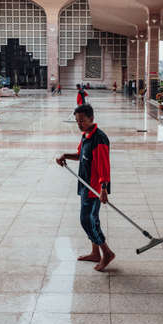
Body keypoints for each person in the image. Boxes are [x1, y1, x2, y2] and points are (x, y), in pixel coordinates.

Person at [56, 104, 115, 272]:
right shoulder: (86, 135)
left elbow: (104, 166)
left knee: (87, 220)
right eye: (77, 121)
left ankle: (107, 253)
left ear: (91, 119)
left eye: (82, 120)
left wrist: (103, 188)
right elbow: (81, 156)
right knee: (92, 219)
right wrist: (65, 156)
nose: (79, 124)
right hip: (85, 184)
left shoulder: (99, 139)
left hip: (94, 188)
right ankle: (95, 253)